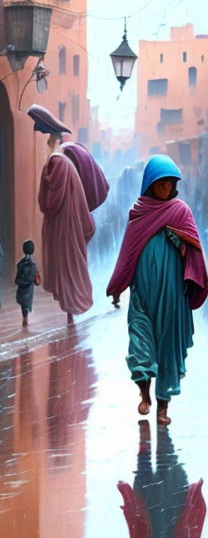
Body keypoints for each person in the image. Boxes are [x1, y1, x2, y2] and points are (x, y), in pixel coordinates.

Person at [107, 155, 207, 426]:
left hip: (173, 294)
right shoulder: (138, 213)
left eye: (169, 183)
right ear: (149, 184)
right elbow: (127, 253)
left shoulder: (181, 211)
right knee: (139, 342)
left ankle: (163, 406)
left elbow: (195, 250)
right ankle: (144, 394)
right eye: (160, 183)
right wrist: (118, 285)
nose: (165, 188)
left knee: (168, 351)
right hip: (143, 292)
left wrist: (182, 241)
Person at [37, 127, 95, 324]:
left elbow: (54, 196)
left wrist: (45, 173)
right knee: (68, 263)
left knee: (67, 264)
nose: (47, 143)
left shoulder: (57, 162)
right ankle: (70, 310)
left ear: (54, 141)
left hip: (64, 224)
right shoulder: (62, 161)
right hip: (68, 223)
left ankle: (71, 308)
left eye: (49, 139)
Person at [14, 240, 40, 327]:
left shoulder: (21, 263)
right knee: (28, 300)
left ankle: (25, 316)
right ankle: (27, 315)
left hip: (22, 285)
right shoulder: (33, 264)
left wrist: (17, 281)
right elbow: (35, 276)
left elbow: (18, 275)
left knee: (22, 302)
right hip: (29, 286)